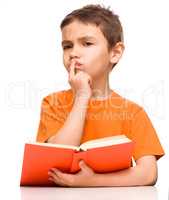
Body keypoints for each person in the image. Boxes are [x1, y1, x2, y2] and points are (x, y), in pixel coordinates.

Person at [36, 4, 165, 187]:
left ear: (115, 52)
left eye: (87, 43)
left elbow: (148, 173)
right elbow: (57, 158)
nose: (73, 53)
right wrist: (82, 96)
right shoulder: (53, 103)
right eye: (67, 46)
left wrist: (92, 181)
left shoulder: (133, 112)